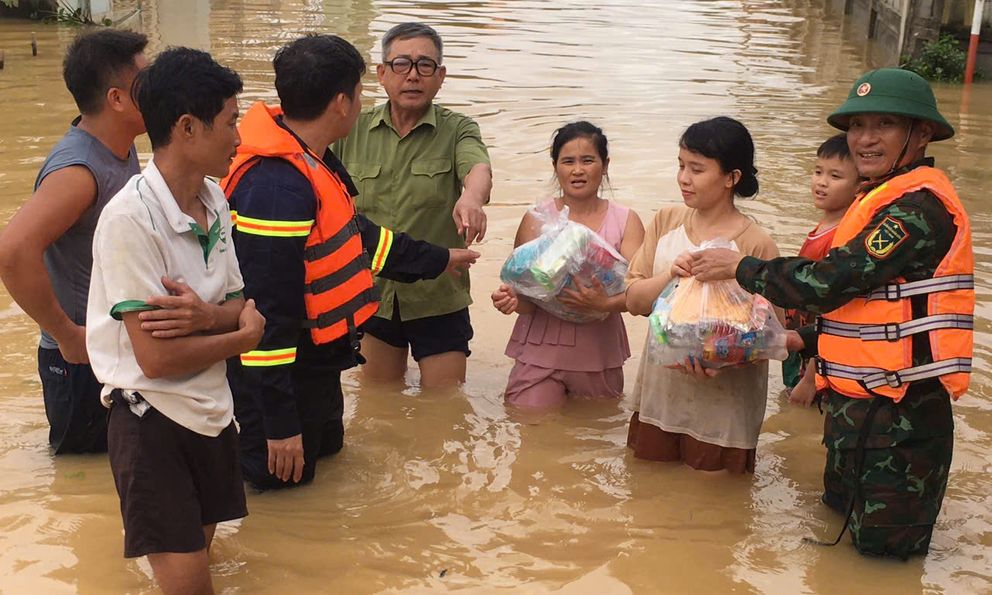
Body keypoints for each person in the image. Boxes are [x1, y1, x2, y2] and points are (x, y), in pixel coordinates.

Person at [689, 68, 972, 558]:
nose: (864, 138)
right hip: (856, 414)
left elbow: (828, 283)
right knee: (835, 546)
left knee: (882, 564)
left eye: (883, 124)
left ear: (922, 132)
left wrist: (741, 267)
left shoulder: (916, 210)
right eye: (857, 125)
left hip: (901, 426)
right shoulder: (876, 197)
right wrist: (802, 342)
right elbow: (872, 311)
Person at [221, 34, 479, 491]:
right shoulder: (277, 189)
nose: (363, 104)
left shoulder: (310, 159)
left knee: (331, 462)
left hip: (317, 361)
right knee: (283, 495)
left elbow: (358, 238)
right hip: (281, 376)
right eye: (360, 93)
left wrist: (438, 259)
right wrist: (279, 424)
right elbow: (268, 315)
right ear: (342, 102)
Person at [86, 47, 264, 593]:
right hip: (151, 423)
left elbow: (237, 302)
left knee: (195, 567)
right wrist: (241, 338)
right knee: (190, 585)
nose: (240, 138)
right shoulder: (129, 221)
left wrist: (210, 316)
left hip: (211, 413)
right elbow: (157, 359)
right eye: (232, 122)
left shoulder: (213, 199)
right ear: (188, 128)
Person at [0, 30, 147, 454]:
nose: (157, 90)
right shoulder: (79, 171)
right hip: (80, 361)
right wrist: (65, 333)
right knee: (83, 478)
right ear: (117, 99)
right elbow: (12, 253)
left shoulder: (118, 144)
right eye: (146, 82)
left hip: (108, 353)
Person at [333, 22, 493, 387]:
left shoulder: (458, 129)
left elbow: (478, 167)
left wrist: (471, 198)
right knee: (379, 407)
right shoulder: (350, 128)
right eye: (402, 64)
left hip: (439, 294)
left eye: (425, 66)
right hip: (373, 291)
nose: (413, 76)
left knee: (445, 410)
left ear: (441, 77)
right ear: (382, 73)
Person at [624, 117, 779, 474]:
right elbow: (633, 302)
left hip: (724, 414)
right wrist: (670, 275)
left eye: (697, 169)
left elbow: (773, 337)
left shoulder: (756, 245)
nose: (683, 178)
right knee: (646, 503)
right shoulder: (666, 222)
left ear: (731, 178)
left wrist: (721, 357)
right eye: (681, 165)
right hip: (660, 398)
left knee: (715, 510)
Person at [491, 121, 644, 409]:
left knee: (594, 439)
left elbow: (642, 294)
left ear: (605, 164)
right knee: (532, 433)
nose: (577, 170)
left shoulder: (626, 221)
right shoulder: (536, 219)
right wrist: (510, 299)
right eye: (568, 161)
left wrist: (604, 304)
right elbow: (525, 296)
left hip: (598, 351)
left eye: (588, 160)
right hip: (539, 349)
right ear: (555, 166)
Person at [784, 134, 860, 407]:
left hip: (818, 362)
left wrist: (811, 378)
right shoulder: (821, 229)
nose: (821, 182)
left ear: (859, 186)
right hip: (801, 348)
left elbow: (834, 313)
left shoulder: (841, 238)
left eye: (835, 176)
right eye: (818, 172)